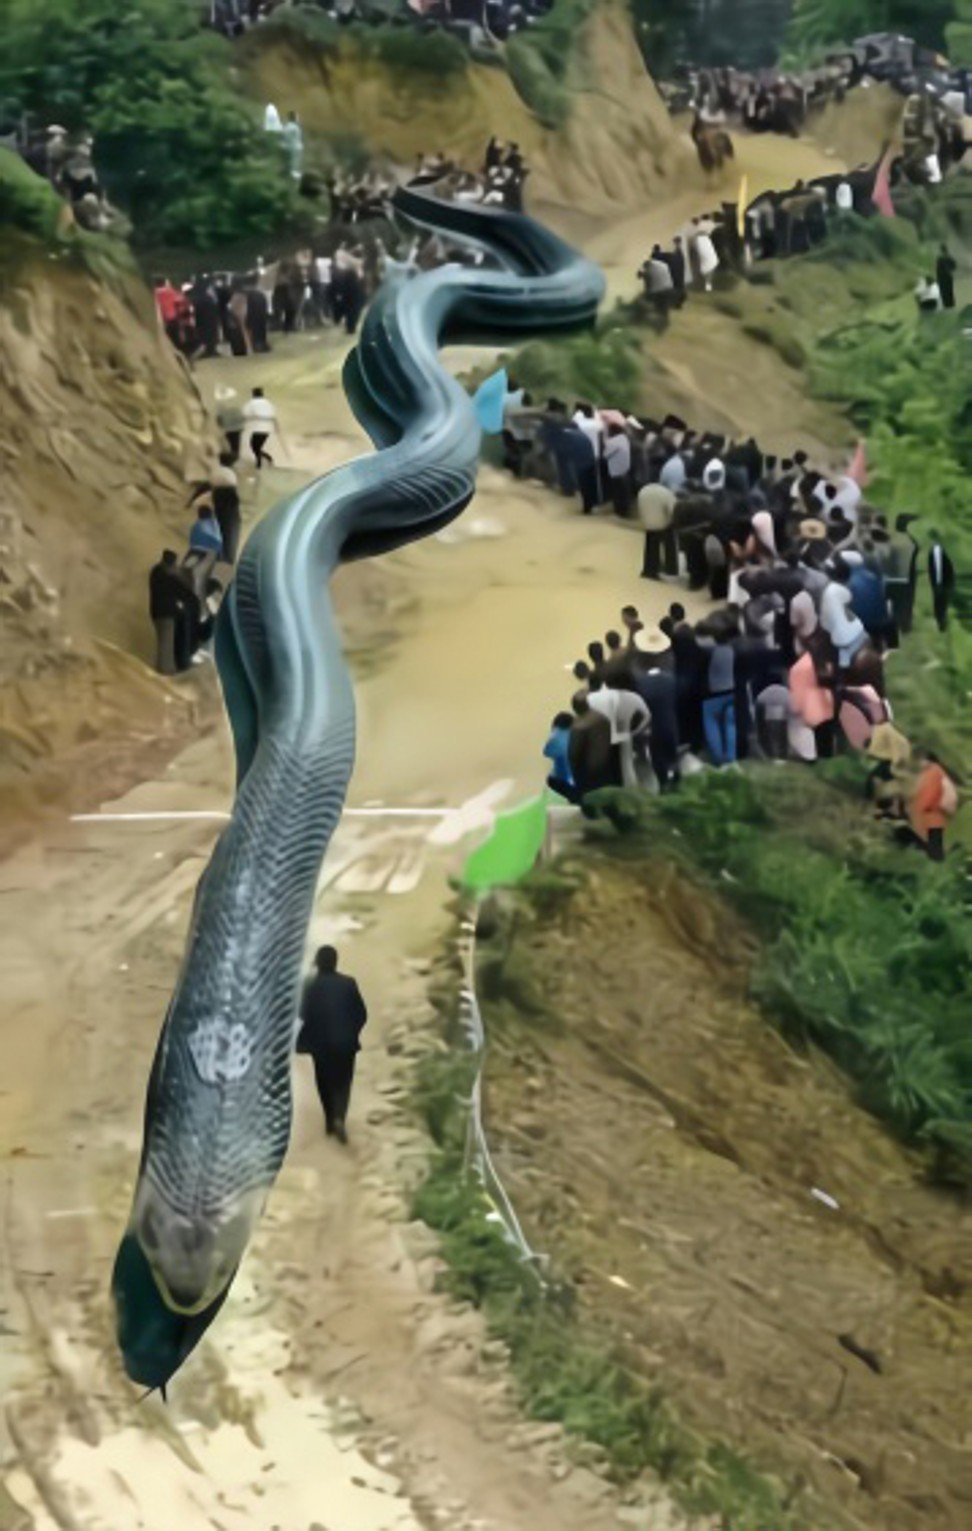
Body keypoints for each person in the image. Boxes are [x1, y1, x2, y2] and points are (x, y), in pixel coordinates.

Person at [296, 945, 368, 1143]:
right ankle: (339, 1118)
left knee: (324, 1081)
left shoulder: (310, 985)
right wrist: (352, 1032)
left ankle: (329, 1120)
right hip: (346, 1043)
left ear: (318, 962)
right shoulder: (349, 983)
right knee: (344, 1082)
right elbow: (362, 1014)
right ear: (336, 962)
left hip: (320, 1044)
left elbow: (302, 1014)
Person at [910, 749, 957, 862]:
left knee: (934, 843)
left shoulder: (933, 772)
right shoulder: (936, 771)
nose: (919, 763)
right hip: (935, 813)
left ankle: (939, 864)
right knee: (934, 841)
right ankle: (941, 862)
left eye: (921, 760)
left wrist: (923, 806)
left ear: (927, 760)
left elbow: (931, 792)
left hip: (932, 813)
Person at [149, 550, 189, 676]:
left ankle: (160, 670)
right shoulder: (164, 575)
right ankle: (165, 673)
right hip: (166, 614)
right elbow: (180, 590)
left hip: (158, 613)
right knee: (166, 645)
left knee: (163, 643)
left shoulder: (156, 571)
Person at [543, 712, 578, 802]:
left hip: (566, 780)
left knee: (551, 779)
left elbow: (547, 752)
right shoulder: (578, 734)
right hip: (584, 778)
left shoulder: (555, 737)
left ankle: (574, 798)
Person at [927, 531, 956, 632]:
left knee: (940, 606)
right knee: (940, 605)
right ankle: (942, 624)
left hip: (942, 584)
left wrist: (938, 583)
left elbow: (938, 569)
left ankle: (942, 625)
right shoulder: (937, 551)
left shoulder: (937, 551)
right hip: (942, 583)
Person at [243, 385, 277, 469]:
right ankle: (265, 459)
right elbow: (273, 414)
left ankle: (261, 462)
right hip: (268, 428)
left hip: (257, 428)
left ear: (253, 394)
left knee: (254, 446)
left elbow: (245, 413)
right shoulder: (268, 403)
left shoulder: (251, 403)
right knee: (257, 447)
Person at [936, 244, 957, 310]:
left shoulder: (939, 259)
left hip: (942, 278)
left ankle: (947, 305)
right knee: (950, 291)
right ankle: (951, 304)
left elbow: (938, 270)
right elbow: (954, 266)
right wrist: (950, 270)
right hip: (948, 277)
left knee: (944, 292)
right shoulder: (949, 257)